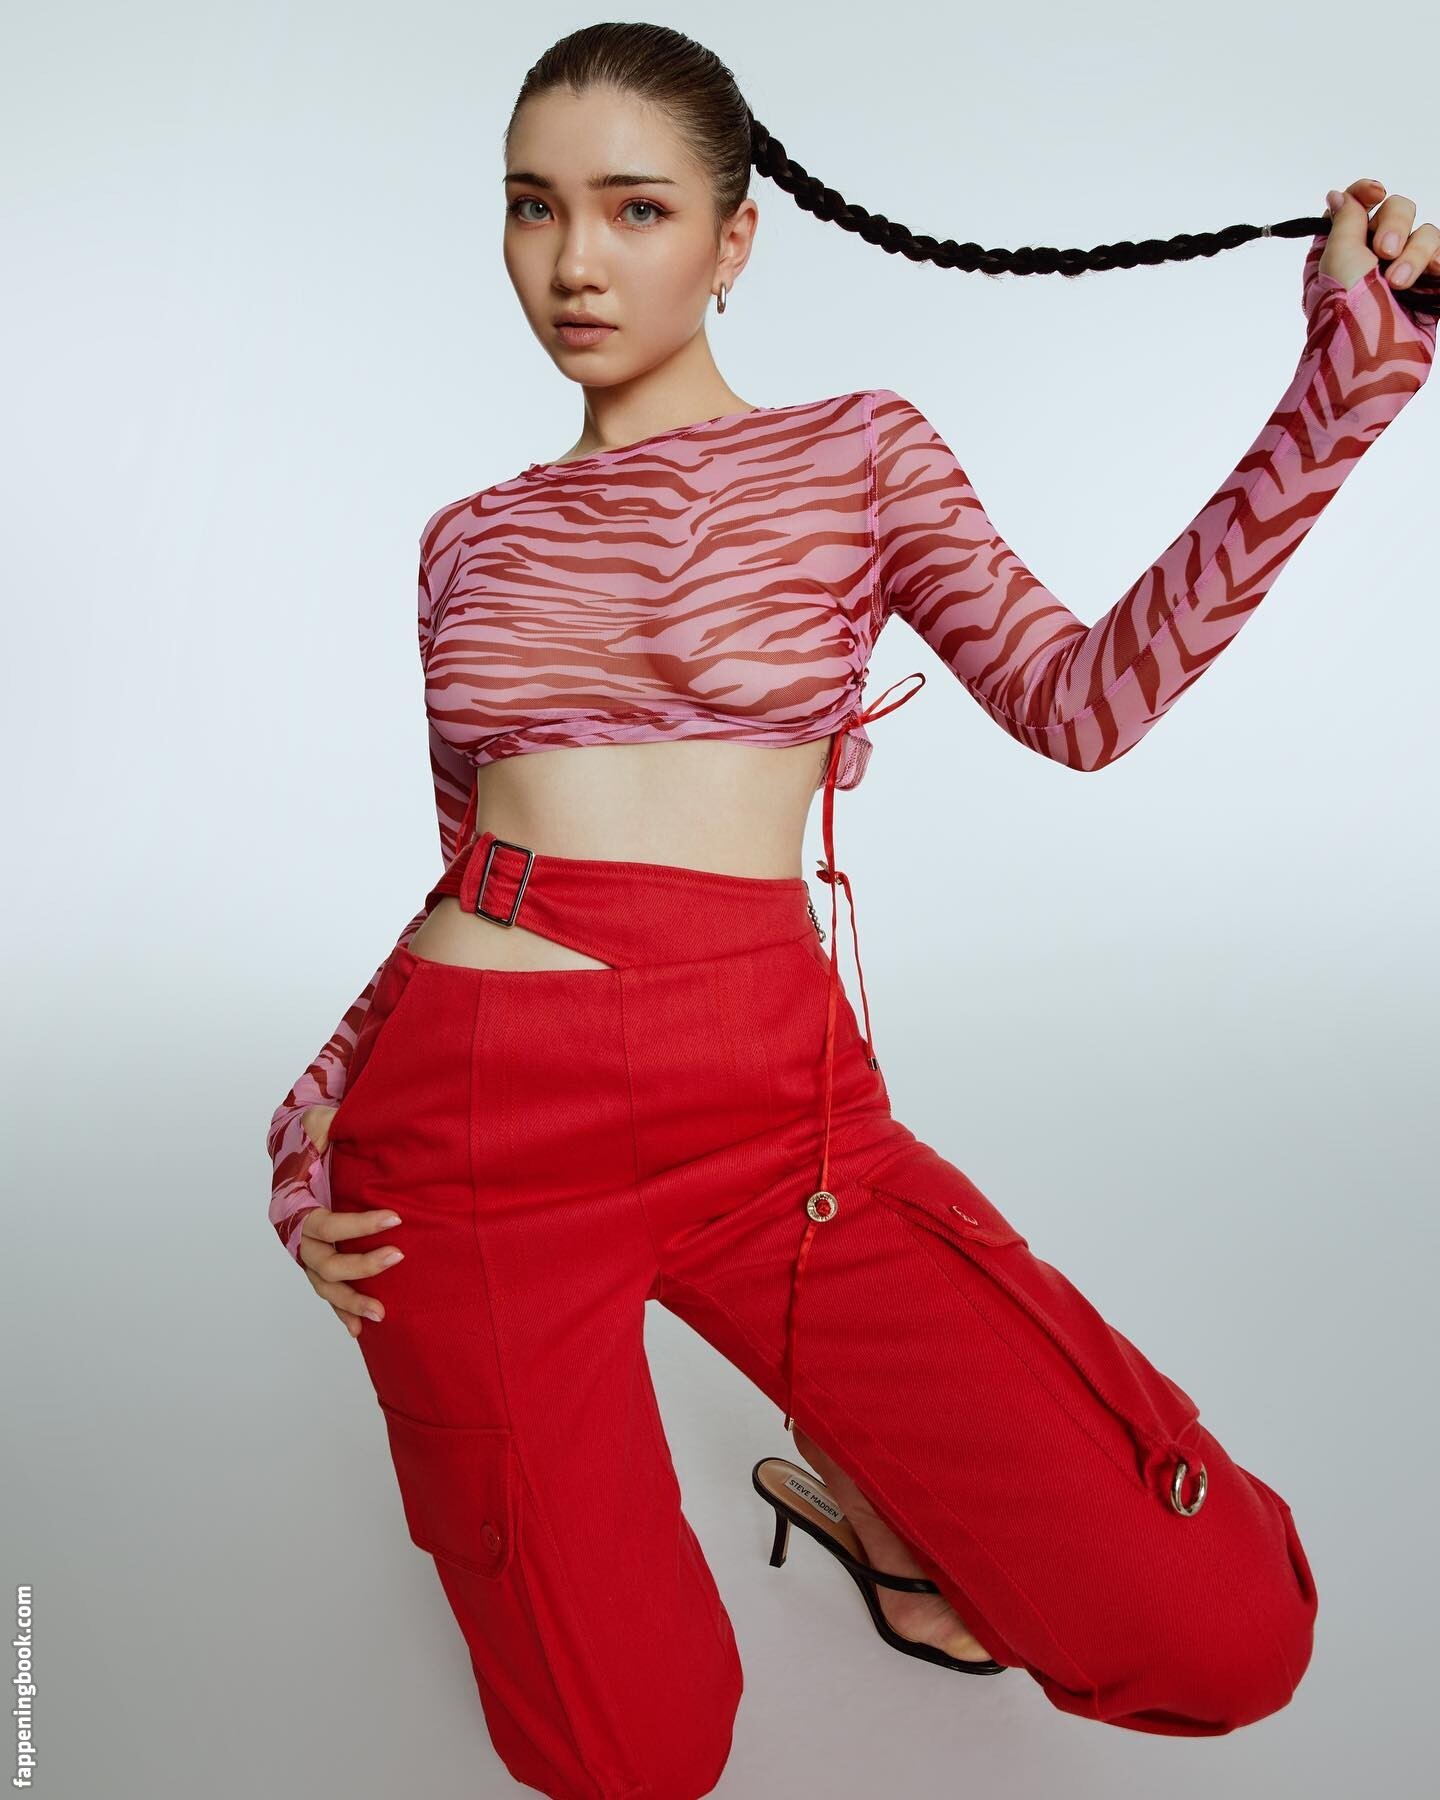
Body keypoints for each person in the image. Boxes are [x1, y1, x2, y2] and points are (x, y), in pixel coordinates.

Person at [264, 22, 1437, 1799]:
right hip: (476, 1141)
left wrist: (1336, 395)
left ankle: (892, 1518)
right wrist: (310, 1116)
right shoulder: (466, 542)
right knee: (633, 1760)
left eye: (636, 208)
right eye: (533, 207)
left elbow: (1085, 704)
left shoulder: (858, 456)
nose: (576, 262)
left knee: (1224, 1629)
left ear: (734, 237)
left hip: (773, 1111)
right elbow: (471, 875)